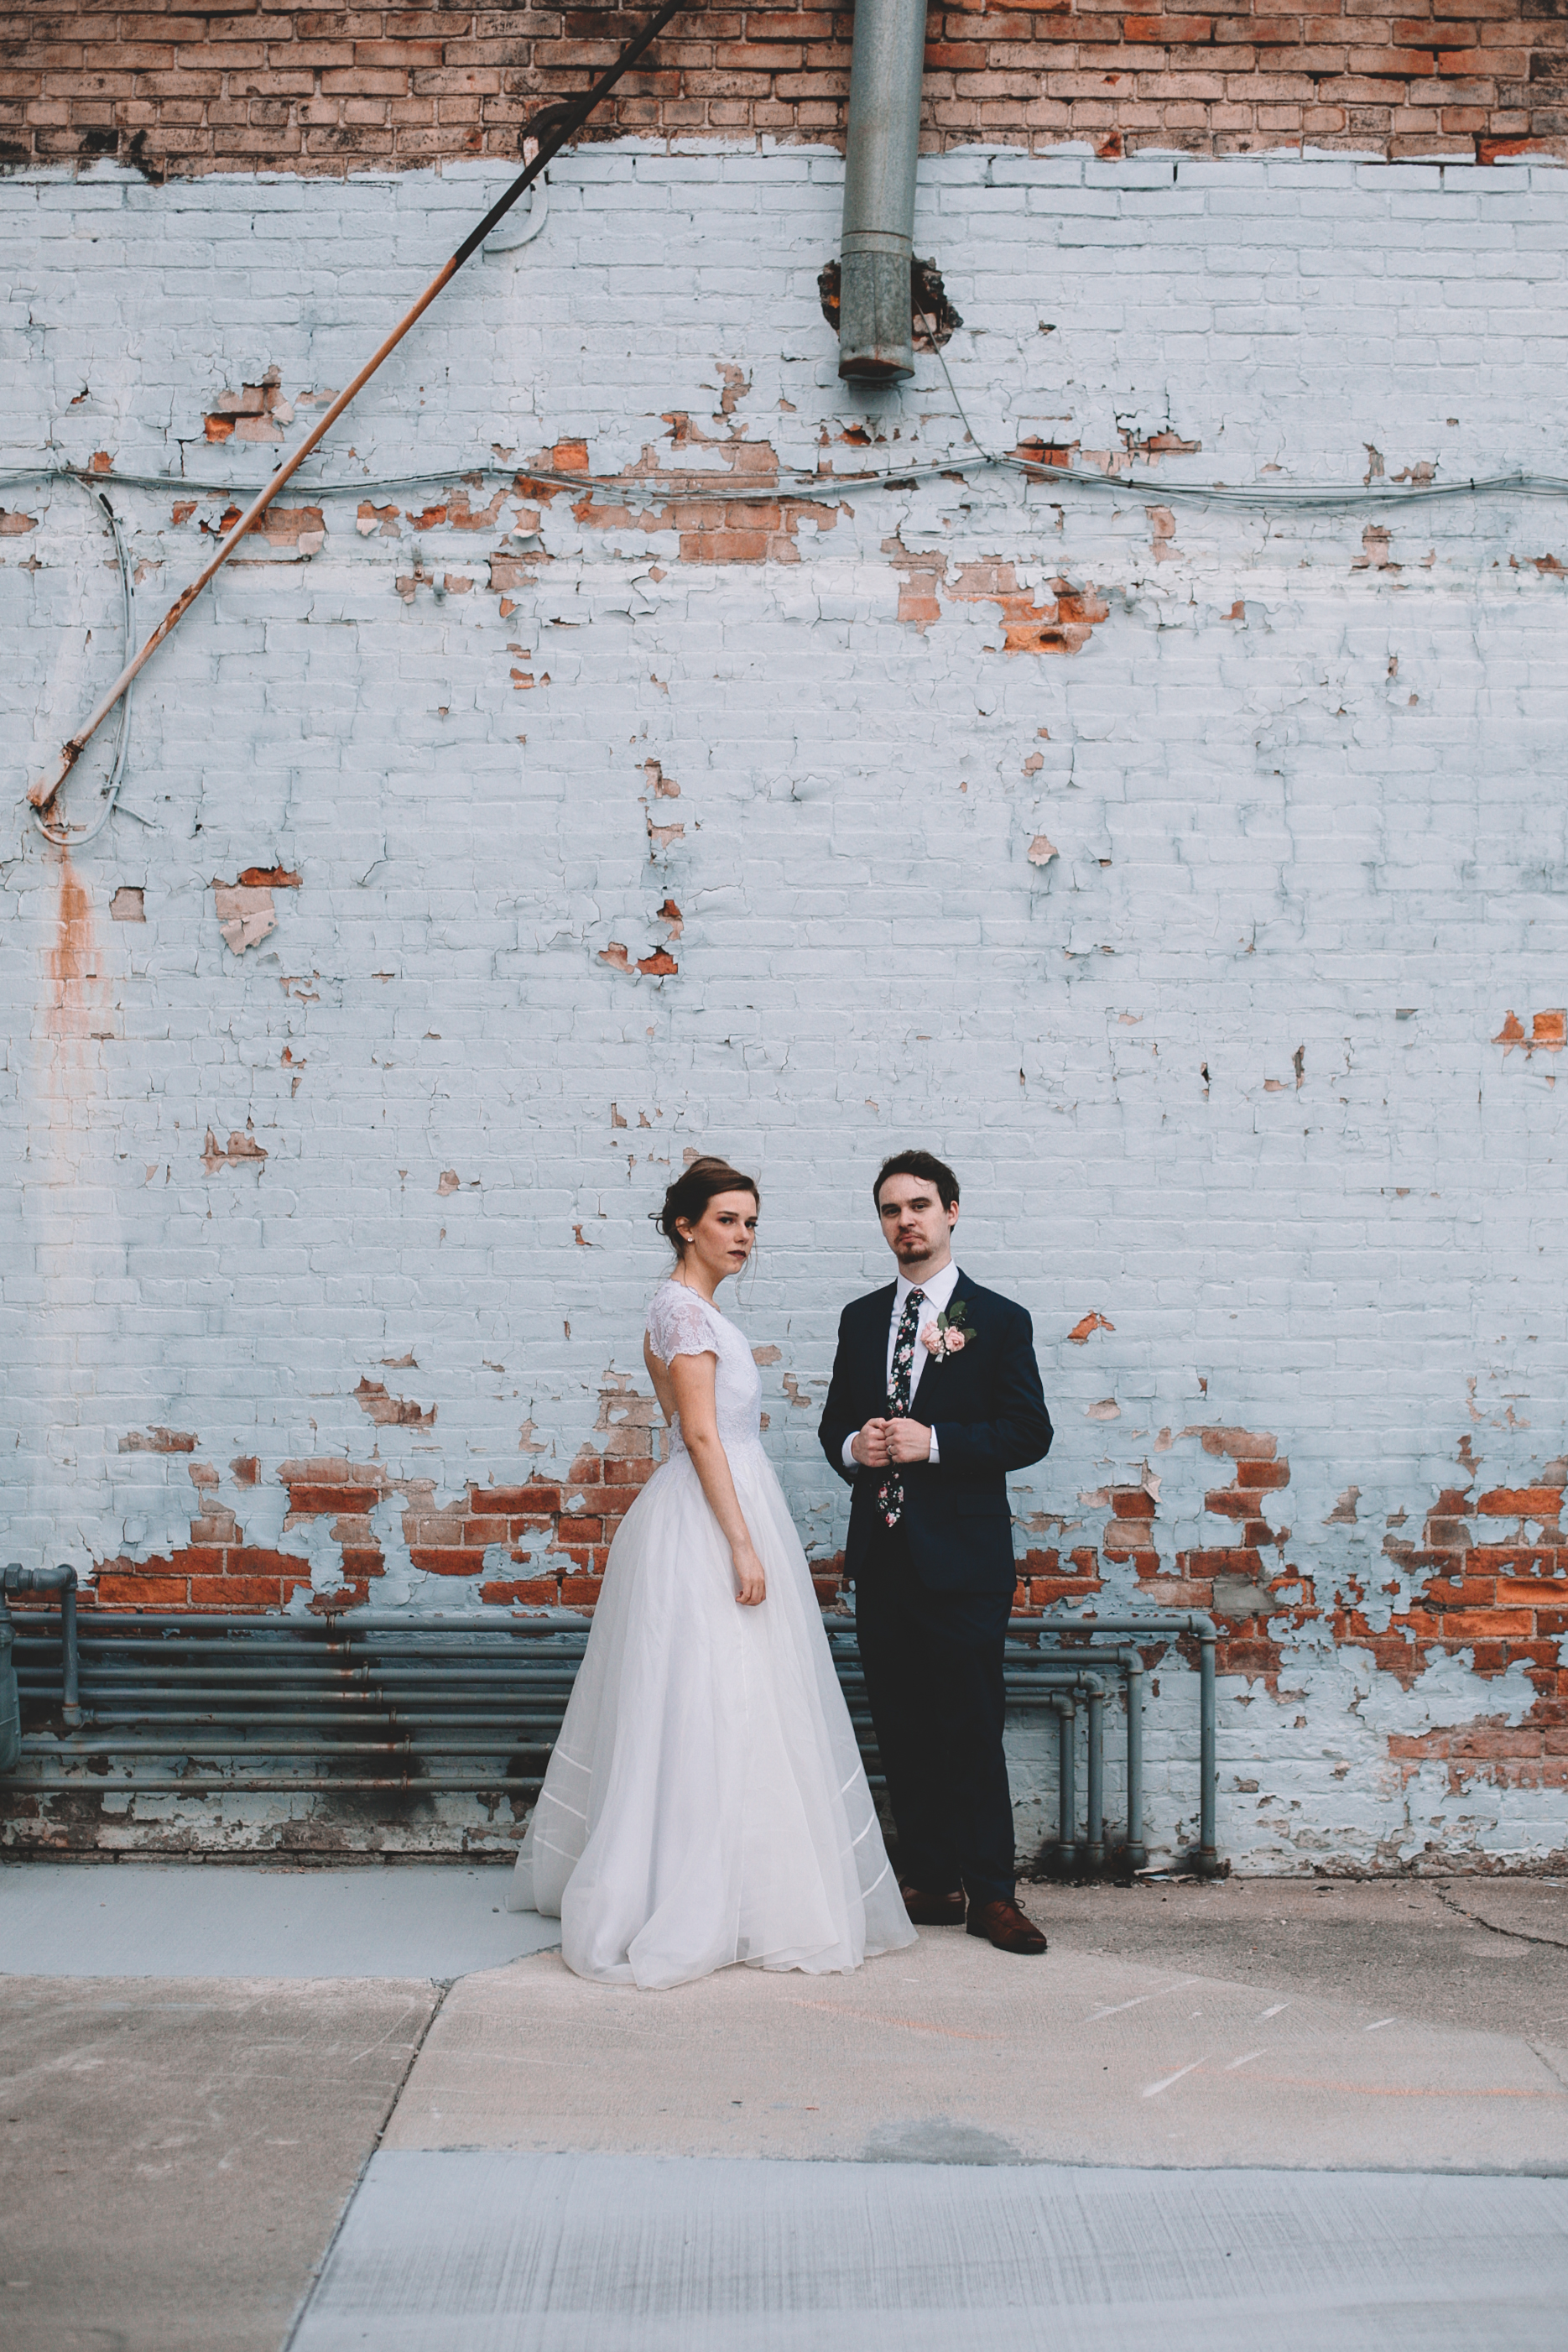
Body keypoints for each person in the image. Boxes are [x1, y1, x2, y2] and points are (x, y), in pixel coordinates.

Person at [508, 1156, 914, 1989]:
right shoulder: (681, 1313)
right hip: (708, 1514)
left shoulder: (693, 1312)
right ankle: (695, 1889)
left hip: (727, 1498)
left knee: (741, 1695)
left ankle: (744, 1883)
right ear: (686, 1224)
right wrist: (740, 1541)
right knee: (714, 1693)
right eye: (728, 1219)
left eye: (752, 1222)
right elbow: (698, 1436)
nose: (743, 1237)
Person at [818, 1150, 1055, 1955]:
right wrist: (861, 1444)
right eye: (890, 1210)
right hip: (882, 1559)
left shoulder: (998, 1319)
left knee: (970, 1725)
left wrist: (935, 1443)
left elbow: (1029, 1433)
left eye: (919, 1205)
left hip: (963, 1562)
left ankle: (992, 1893)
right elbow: (830, 1433)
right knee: (901, 1725)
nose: (905, 1221)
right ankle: (926, 1879)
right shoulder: (858, 1319)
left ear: (952, 1211)